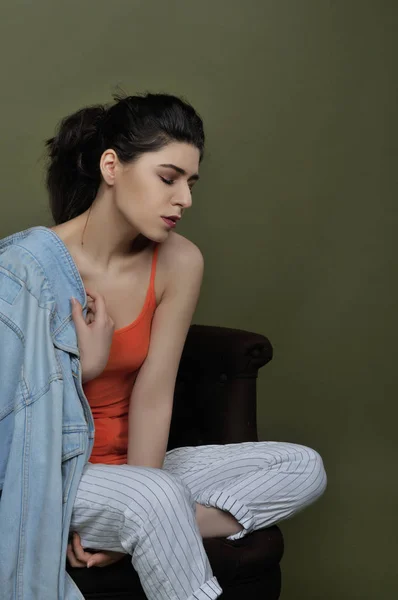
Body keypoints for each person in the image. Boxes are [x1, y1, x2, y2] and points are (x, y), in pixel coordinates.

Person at [2, 93, 327, 600]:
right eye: (168, 177)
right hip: (63, 473)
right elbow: (14, 423)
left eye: (191, 184)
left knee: (303, 466)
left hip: (138, 468)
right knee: (155, 500)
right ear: (112, 166)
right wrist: (86, 368)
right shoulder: (29, 265)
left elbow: (154, 392)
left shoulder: (180, 261)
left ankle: (152, 523)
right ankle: (152, 516)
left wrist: (142, 498)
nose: (185, 200)